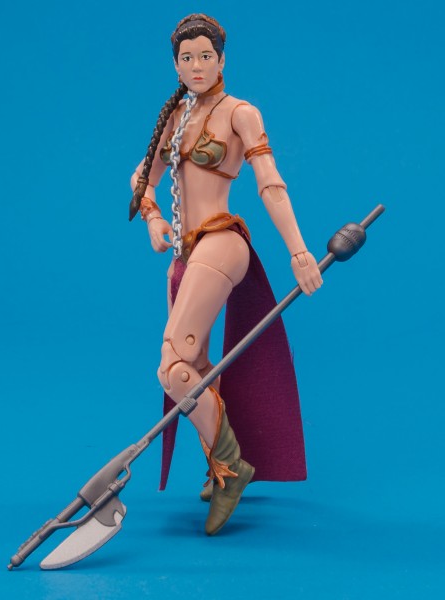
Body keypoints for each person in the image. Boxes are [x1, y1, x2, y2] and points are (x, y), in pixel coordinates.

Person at [129, 14, 322, 536]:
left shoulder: (240, 113)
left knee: (173, 368)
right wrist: (153, 219)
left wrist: (299, 252)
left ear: (221, 59)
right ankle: (222, 464)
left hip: (221, 241)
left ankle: (232, 468)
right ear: (176, 64)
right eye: (186, 57)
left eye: (205, 56)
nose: (196, 65)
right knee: (192, 366)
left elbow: (270, 184)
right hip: (186, 252)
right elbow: (142, 178)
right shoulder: (175, 115)